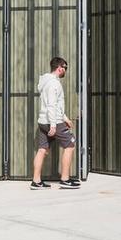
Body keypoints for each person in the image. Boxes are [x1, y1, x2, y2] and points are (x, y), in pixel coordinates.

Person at [31, 57, 80, 189]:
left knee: (42, 149)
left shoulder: (46, 82)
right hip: (53, 122)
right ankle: (65, 179)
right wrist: (53, 125)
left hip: (43, 121)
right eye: (65, 68)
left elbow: (53, 106)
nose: (66, 70)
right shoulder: (54, 84)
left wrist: (66, 119)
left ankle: (36, 181)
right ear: (60, 68)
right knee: (70, 144)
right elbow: (52, 106)